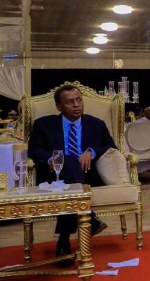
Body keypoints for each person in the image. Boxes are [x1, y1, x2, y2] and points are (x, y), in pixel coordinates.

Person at [27, 85, 112, 266]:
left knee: (71, 173)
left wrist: (91, 151)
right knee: (67, 160)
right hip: (55, 175)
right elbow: (34, 150)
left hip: (87, 175)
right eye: (70, 102)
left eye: (79, 100)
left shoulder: (96, 124)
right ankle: (88, 217)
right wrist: (52, 158)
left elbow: (110, 146)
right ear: (59, 106)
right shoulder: (44, 124)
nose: (76, 105)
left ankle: (64, 240)